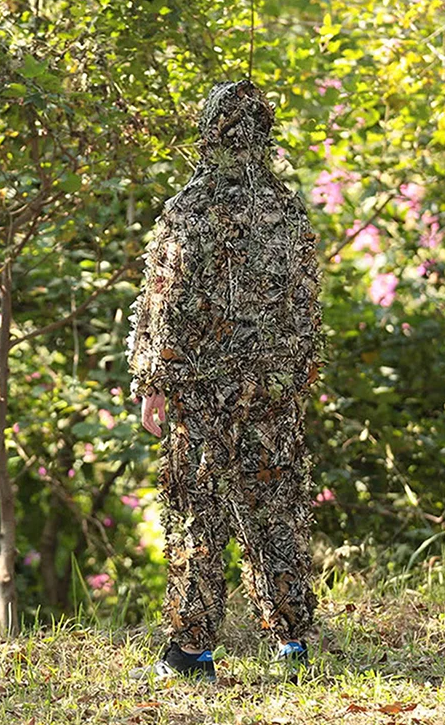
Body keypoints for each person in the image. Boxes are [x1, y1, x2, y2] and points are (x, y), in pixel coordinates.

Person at [126, 80, 322, 681]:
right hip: (270, 387)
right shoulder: (287, 209)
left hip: (205, 388)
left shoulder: (191, 208)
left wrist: (152, 379)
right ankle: (293, 645)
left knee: (199, 512)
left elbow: (166, 298)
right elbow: (306, 305)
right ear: (264, 135)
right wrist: (295, 377)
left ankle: (191, 653)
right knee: (275, 508)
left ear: (210, 132)